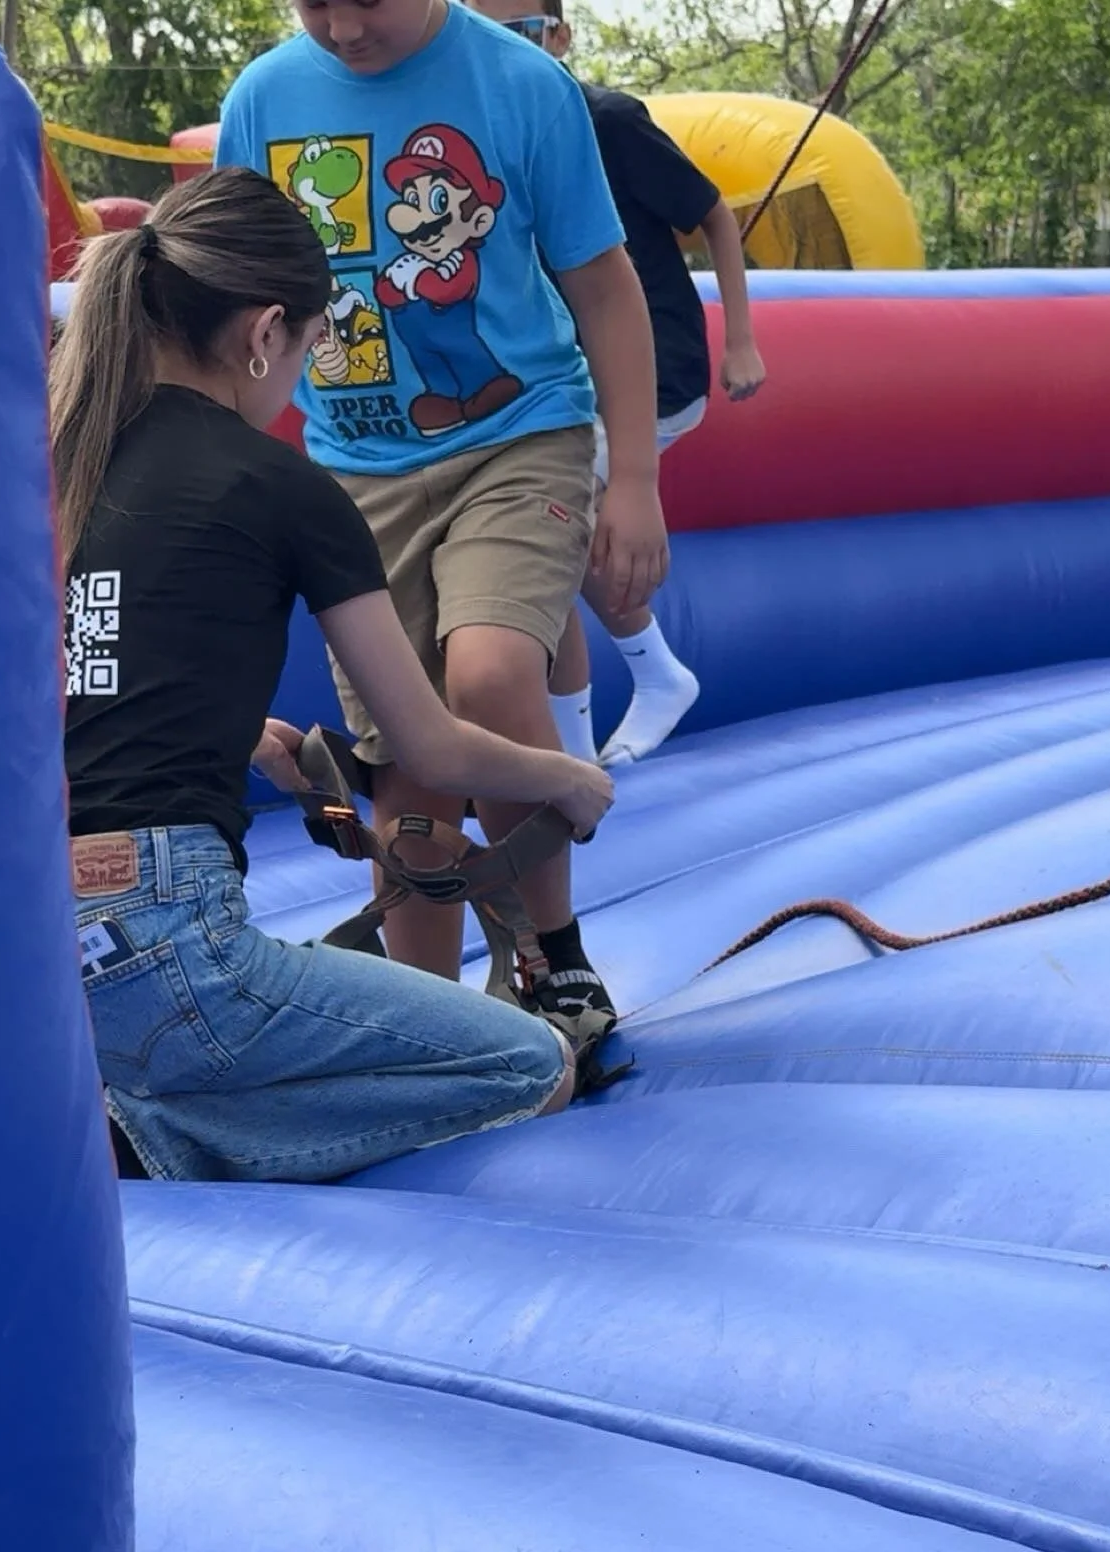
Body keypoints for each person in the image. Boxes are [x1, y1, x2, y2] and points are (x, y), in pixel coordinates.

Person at [55, 167, 615, 1183]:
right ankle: (157, 1138)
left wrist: (244, 732)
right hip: (174, 954)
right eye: (314, 345)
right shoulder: (282, 485)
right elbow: (428, 744)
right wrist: (568, 779)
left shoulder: (72, 459)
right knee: (529, 1063)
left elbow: (82, 675)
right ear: (267, 330)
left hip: (40, 958)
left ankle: (132, 1111)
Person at [215, 0, 667, 1036]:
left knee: (491, 674)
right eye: (312, 2)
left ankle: (554, 957)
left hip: (518, 437)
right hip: (356, 468)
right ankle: (432, 1016)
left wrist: (633, 477)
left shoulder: (520, 83)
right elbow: (225, 296)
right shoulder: (265, 102)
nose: (340, 27)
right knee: (409, 767)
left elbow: (603, 285)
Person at [468, 0, 767, 768]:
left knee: (542, 533)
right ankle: (613, 713)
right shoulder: (484, 130)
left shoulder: (606, 118)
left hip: (649, 366)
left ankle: (619, 708)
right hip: (563, 375)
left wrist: (740, 341)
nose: (510, 48)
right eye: (490, 30)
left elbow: (715, 216)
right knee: (543, 539)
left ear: (559, 36)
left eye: (526, 31)